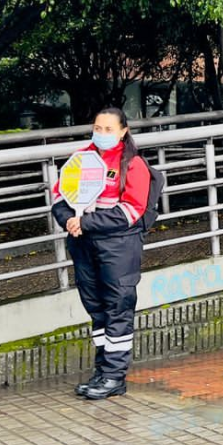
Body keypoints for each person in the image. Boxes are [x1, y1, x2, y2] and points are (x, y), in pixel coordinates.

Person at [51, 107, 151, 400]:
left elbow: (131, 210)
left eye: (109, 129)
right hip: (83, 243)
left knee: (117, 307)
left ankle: (114, 376)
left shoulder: (132, 164)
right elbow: (60, 196)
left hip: (118, 246)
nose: (102, 134)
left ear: (123, 131)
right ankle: (102, 371)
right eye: (98, 128)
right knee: (95, 308)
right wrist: (69, 220)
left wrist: (86, 222)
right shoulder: (80, 159)